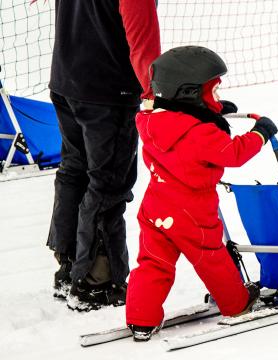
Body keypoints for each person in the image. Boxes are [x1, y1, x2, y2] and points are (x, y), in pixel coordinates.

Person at [125, 46, 278, 341]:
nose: (216, 99)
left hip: (156, 207)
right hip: (191, 212)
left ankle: (141, 319)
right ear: (190, 94)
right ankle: (236, 304)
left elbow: (182, 122)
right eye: (213, 94)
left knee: (153, 262)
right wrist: (260, 133)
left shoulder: (151, 120)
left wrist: (213, 112)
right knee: (212, 257)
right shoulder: (199, 133)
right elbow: (232, 153)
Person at [45, 0, 161, 311]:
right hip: (107, 93)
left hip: (67, 82)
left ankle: (69, 269)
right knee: (107, 183)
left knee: (75, 172)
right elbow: (143, 43)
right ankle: (98, 282)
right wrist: (153, 94)